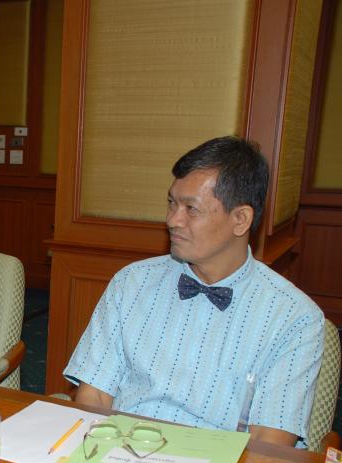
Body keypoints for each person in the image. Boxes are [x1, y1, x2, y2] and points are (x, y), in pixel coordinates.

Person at [64, 136, 324, 446]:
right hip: (120, 449)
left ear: (240, 219)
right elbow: (93, 395)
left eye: (191, 209)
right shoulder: (131, 283)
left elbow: (270, 440)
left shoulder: (293, 316)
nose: (173, 220)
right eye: (172, 203)